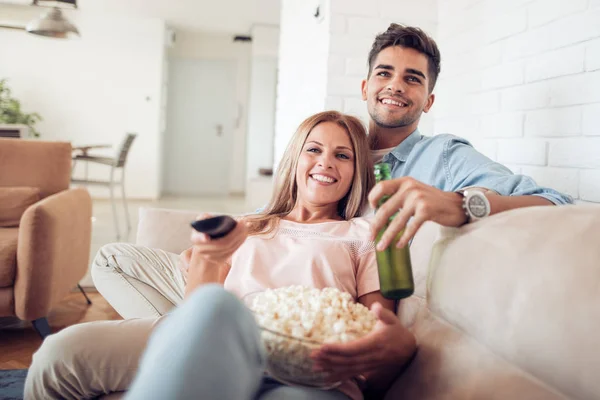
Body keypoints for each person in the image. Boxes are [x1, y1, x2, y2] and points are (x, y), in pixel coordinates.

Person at [25, 111, 414, 400]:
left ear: (357, 171)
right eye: (314, 149)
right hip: (219, 341)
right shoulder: (249, 224)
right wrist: (208, 260)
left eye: (342, 156)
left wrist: (391, 351)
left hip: (305, 370)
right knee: (58, 354)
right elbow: (198, 309)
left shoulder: (363, 233)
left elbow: (375, 329)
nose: (326, 162)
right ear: (295, 160)